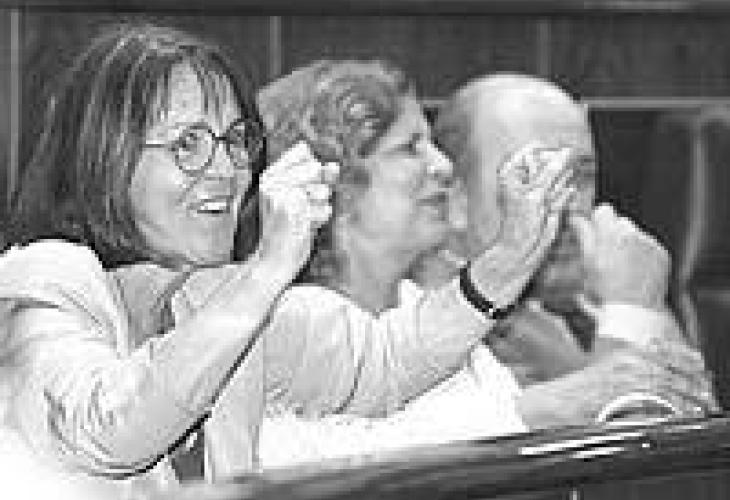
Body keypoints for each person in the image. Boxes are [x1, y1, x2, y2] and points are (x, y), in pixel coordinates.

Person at [0, 27, 565, 494]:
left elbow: (386, 362)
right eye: (188, 144)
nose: (226, 170)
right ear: (104, 157)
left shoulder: (216, 300)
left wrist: (507, 261)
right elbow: (109, 431)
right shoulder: (42, 281)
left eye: (234, 139)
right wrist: (267, 268)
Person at [249, 60, 574, 466]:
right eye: (410, 148)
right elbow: (321, 469)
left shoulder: (428, 307)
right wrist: (536, 413)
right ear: (335, 180)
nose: (443, 166)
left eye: (431, 143)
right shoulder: (281, 324)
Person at [427, 73, 718, 428]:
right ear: (455, 199)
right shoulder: (425, 329)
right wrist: (630, 312)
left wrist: (635, 310)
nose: (569, 202)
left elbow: (700, 445)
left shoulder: (605, 282)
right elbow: (622, 454)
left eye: (581, 175)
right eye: (533, 174)